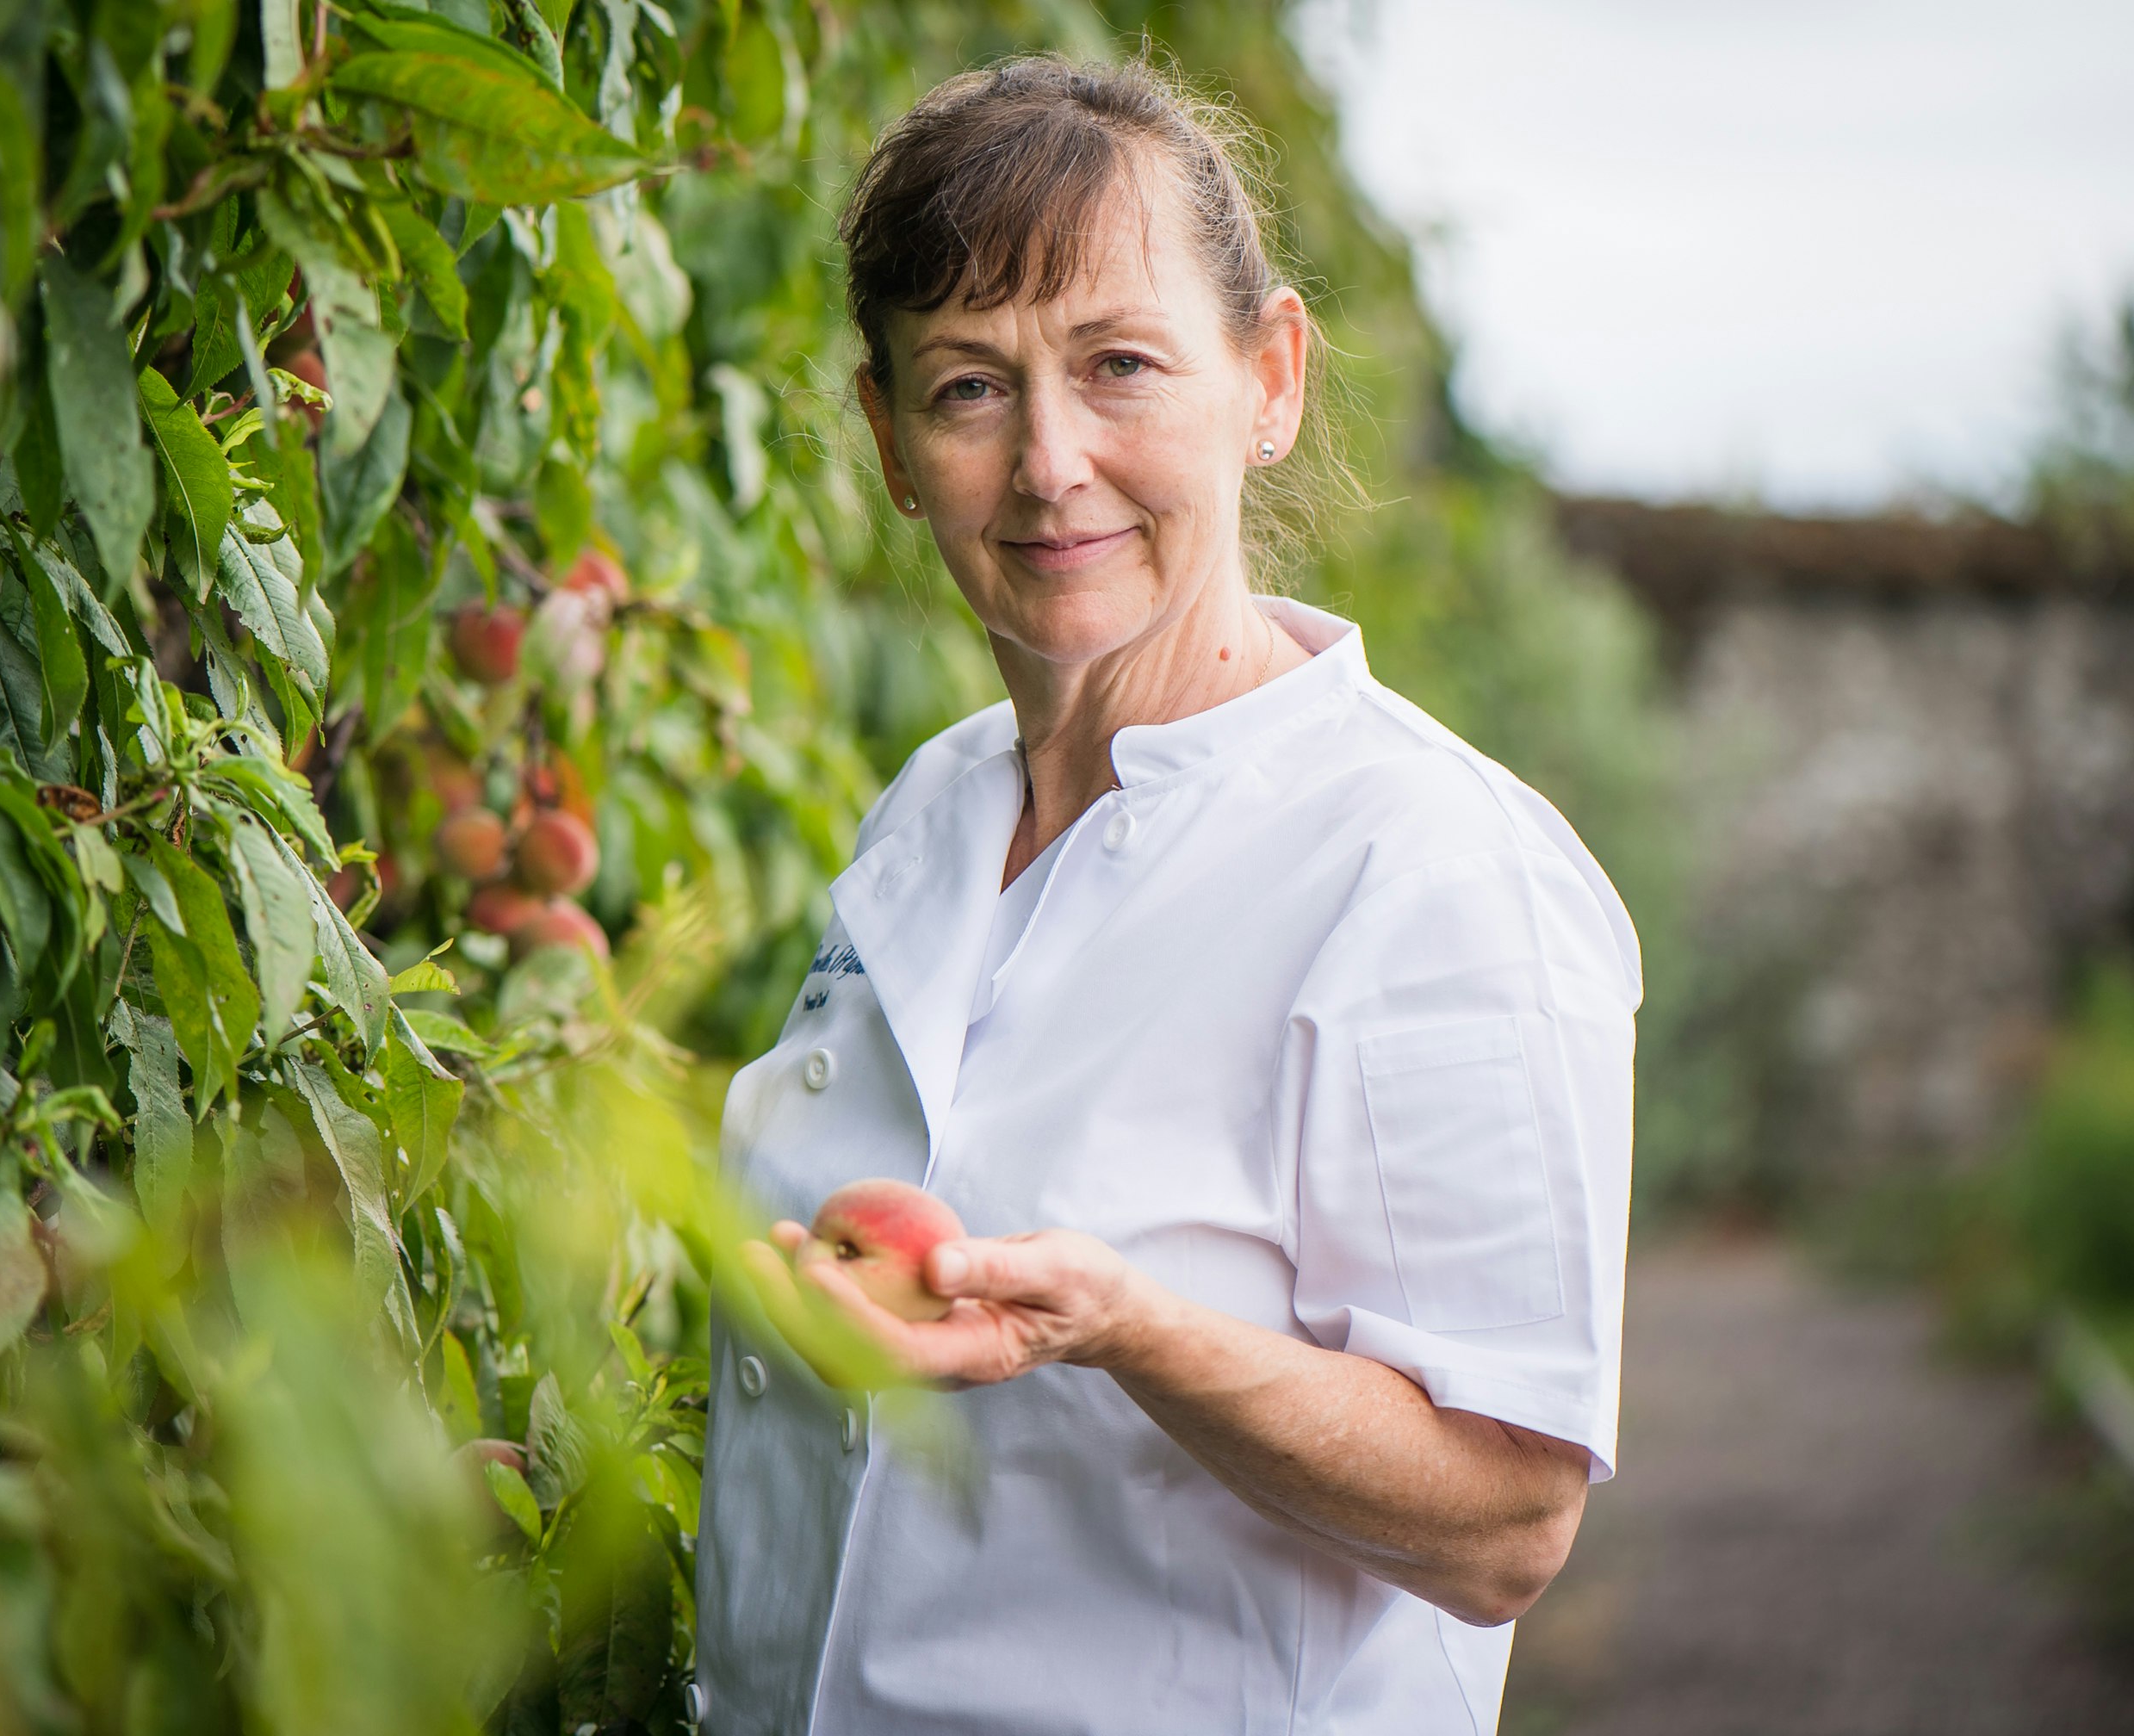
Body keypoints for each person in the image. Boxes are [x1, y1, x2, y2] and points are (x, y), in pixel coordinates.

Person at [696, 53, 1639, 1736]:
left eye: (1118, 365)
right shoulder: (936, 809)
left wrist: (1130, 1329)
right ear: (891, 442)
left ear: (1269, 379)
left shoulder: (1426, 867)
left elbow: (1507, 1521)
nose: (1050, 462)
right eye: (969, 387)